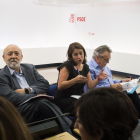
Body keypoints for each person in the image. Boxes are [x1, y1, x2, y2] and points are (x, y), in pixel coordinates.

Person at [0, 44, 71, 132]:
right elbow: (10, 97)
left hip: (36, 105)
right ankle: (70, 130)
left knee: (44, 106)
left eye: (16, 53)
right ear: (4, 57)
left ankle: (62, 132)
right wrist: (36, 96)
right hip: (17, 110)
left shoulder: (29, 68)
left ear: (21, 57)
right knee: (41, 102)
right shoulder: (1, 76)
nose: (13, 56)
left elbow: (44, 84)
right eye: (10, 54)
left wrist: (27, 90)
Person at [84, 45, 140, 118]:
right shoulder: (88, 68)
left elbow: (110, 82)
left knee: (132, 95)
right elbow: (90, 89)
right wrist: (110, 87)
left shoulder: (105, 67)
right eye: (106, 59)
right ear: (97, 57)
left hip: (111, 92)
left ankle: (136, 121)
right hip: (100, 96)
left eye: (108, 60)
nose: (107, 62)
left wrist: (121, 81)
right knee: (124, 101)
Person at [53, 42, 108, 115]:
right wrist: (75, 80)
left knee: (93, 104)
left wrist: (98, 78)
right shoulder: (67, 66)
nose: (79, 57)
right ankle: (76, 125)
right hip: (63, 99)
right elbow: (60, 86)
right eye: (76, 54)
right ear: (71, 56)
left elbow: (90, 85)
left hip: (76, 97)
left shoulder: (85, 67)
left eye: (81, 53)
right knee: (84, 107)